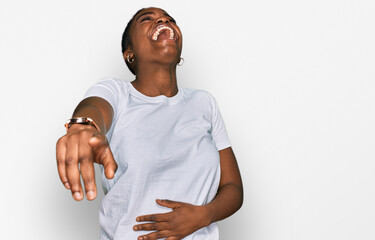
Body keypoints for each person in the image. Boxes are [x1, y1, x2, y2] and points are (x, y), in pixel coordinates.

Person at [56, 7, 243, 240]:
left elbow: (233, 187)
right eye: (147, 19)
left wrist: (204, 215)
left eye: (169, 19)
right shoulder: (117, 92)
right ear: (129, 54)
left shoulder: (204, 103)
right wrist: (84, 127)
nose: (163, 20)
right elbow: (94, 107)